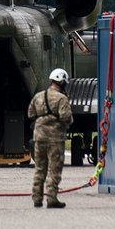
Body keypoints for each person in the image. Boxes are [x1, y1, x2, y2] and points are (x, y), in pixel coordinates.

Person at [27, 67, 73, 208]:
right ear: (62, 82)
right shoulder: (62, 98)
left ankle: (37, 198)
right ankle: (52, 198)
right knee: (54, 169)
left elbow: (30, 114)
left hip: (39, 137)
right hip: (55, 139)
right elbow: (66, 117)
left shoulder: (38, 96)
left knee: (39, 168)